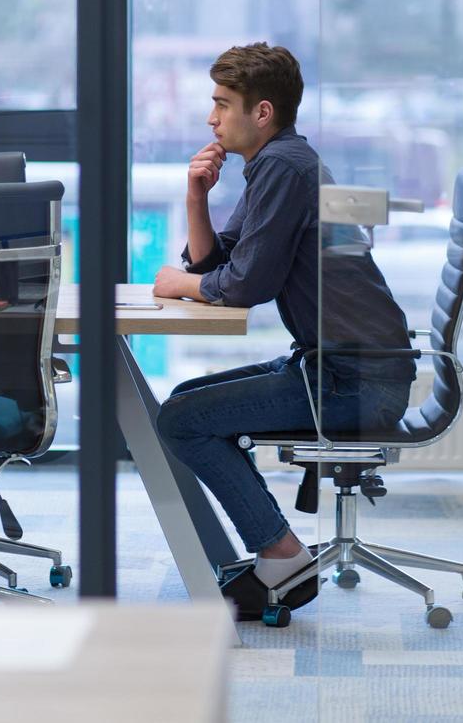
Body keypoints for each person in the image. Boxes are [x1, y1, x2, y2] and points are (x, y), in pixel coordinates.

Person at [153, 43, 416, 618]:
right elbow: (215, 263)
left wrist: (177, 285)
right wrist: (196, 197)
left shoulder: (283, 166)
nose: (211, 117)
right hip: (340, 366)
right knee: (184, 403)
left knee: (179, 419)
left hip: (356, 379)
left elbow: (243, 285)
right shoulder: (280, 162)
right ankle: (277, 549)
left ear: (262, 112)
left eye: (223, 105)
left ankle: (281, 553)